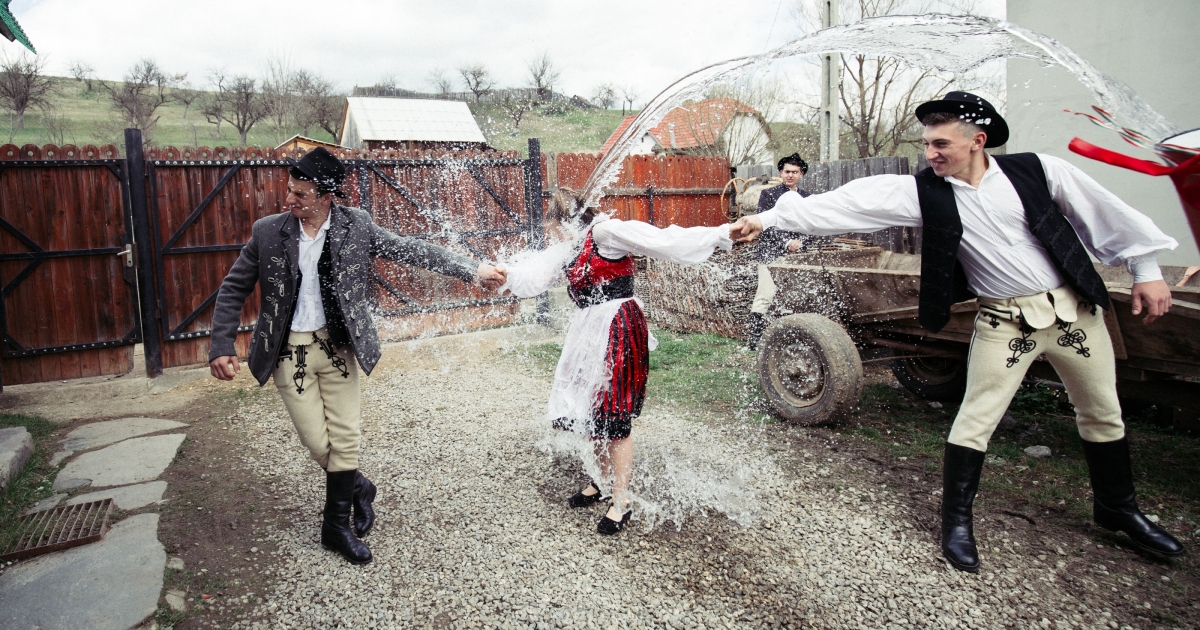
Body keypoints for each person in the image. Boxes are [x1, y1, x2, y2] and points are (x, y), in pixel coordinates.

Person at [729, 91, 1186, 572]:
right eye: (927, 143)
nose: (931, 153)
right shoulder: (922, 191)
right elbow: (842, 206)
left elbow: (1105, 213)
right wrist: (766, 218)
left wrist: (1146, 269)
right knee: (976, 420)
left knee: (1104, 413)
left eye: (941, 143)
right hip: (1006, 324)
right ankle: (957, 522)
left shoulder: (1037, 171)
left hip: (1075, 316)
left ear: (977, 140)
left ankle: (1118, 508)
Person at [208, 147, 506, 565]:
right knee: (317, 442)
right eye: (289, 191)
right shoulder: (268, 232)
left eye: (301, 194)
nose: (289, 200)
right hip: (288, 352)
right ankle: (359, 488)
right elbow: (233, 287)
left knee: (345, 437)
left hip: (338, 346)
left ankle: (335, 526)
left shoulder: (356, 226)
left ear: (326, 196)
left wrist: (473, 269)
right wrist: (221, 344)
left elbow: (410, 249)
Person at [500, 201, 731, 534]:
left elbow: (662, 241)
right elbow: (533, 278)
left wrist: (721, 233)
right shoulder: (569, 249)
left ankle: (621, 501)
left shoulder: (605, 233)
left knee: (614, 414)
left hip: (617, 326)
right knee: (591, 409)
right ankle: (600, 481)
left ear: (563, 221)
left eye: (551, 227)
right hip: (588, 332)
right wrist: (506, 275)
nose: (549, 236)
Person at [748, 153, 813, 349]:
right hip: (771, 254)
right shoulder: (769, 196)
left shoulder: (807, 198)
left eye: (794, 172)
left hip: (797, 255)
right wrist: (786, 242)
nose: (790, 175)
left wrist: (800, 242)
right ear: (780, 173)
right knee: (765, 295)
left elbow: (812, 225)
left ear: (801, 174)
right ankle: (755, 341)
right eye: (787, 172)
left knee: (795, 296)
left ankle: (792, 338)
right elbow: (764, 225)